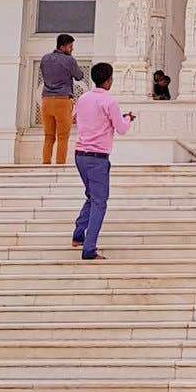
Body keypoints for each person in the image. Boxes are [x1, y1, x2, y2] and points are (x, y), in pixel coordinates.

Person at [71, 62, 134, 260]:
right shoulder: (110, 101)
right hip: (97, 157)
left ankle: (78, 235)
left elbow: (75, 118)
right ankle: (89, 249)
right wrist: (128, 119)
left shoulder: (83, 98)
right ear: (108, 81)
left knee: (92, 196)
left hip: (80, 154)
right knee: (99, 202)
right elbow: (122, 128)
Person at [38, 35, 84, 165]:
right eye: (70, 46)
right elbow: (79, 76)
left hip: (46, 100)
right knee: (63, 136)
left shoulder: (45, 59)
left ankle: (46, 163)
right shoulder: (69, 60)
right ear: (62, 47)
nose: (72, 49)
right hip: (62, 101)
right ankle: (59, 164)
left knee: (48, 136)